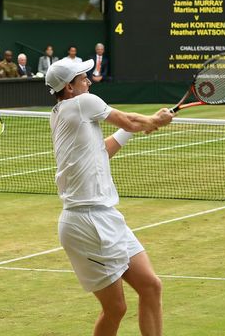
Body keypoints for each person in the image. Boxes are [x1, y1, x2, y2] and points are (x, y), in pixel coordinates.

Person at [45, 59, 172, 336]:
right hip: (86, 223)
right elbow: (129, 120)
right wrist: (153, 120)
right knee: (116, 308)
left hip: (105, 217)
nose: (88, 82)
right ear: (69, 87)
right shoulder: (82, 103)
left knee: (151, 286)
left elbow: (101, 150)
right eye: (82, 78)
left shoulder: (64, 111)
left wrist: (136, 128)